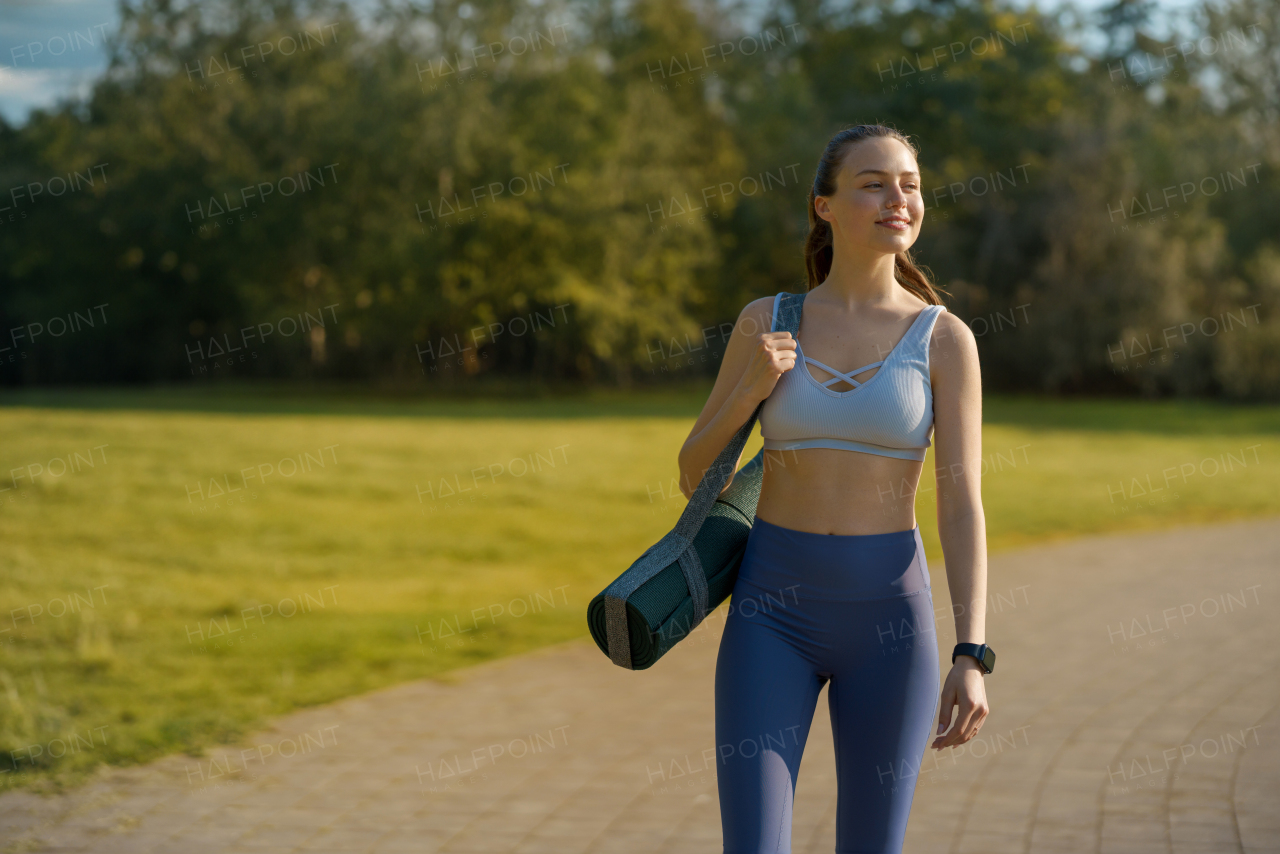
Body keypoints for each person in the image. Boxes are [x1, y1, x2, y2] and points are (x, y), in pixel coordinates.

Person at [676, 124, 991, 853]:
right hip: (770, 615)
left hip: (890, 620)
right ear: (824, 206)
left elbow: (961, 500)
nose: (898, 198)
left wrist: (972, 654)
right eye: (874, 182)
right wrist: (750, 389)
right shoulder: (767, 321)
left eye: (910, 184)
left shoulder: (945, 340)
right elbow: (695, 475)